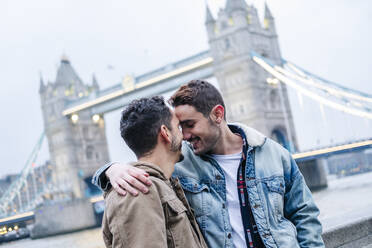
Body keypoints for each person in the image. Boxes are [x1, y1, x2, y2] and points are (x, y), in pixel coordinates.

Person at [94, 80, 325, 248]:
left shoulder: (275, 154)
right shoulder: (179, 164)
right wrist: (109, 171)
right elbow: (147, 164)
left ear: (217, 114)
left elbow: (305, 214)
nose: (184, 135)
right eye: (179, 127)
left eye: (190, 125)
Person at [101, 96, 207, 248]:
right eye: (178, 127)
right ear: (166, 133)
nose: (184, 135)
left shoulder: (159, 185)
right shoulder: (137, 191)